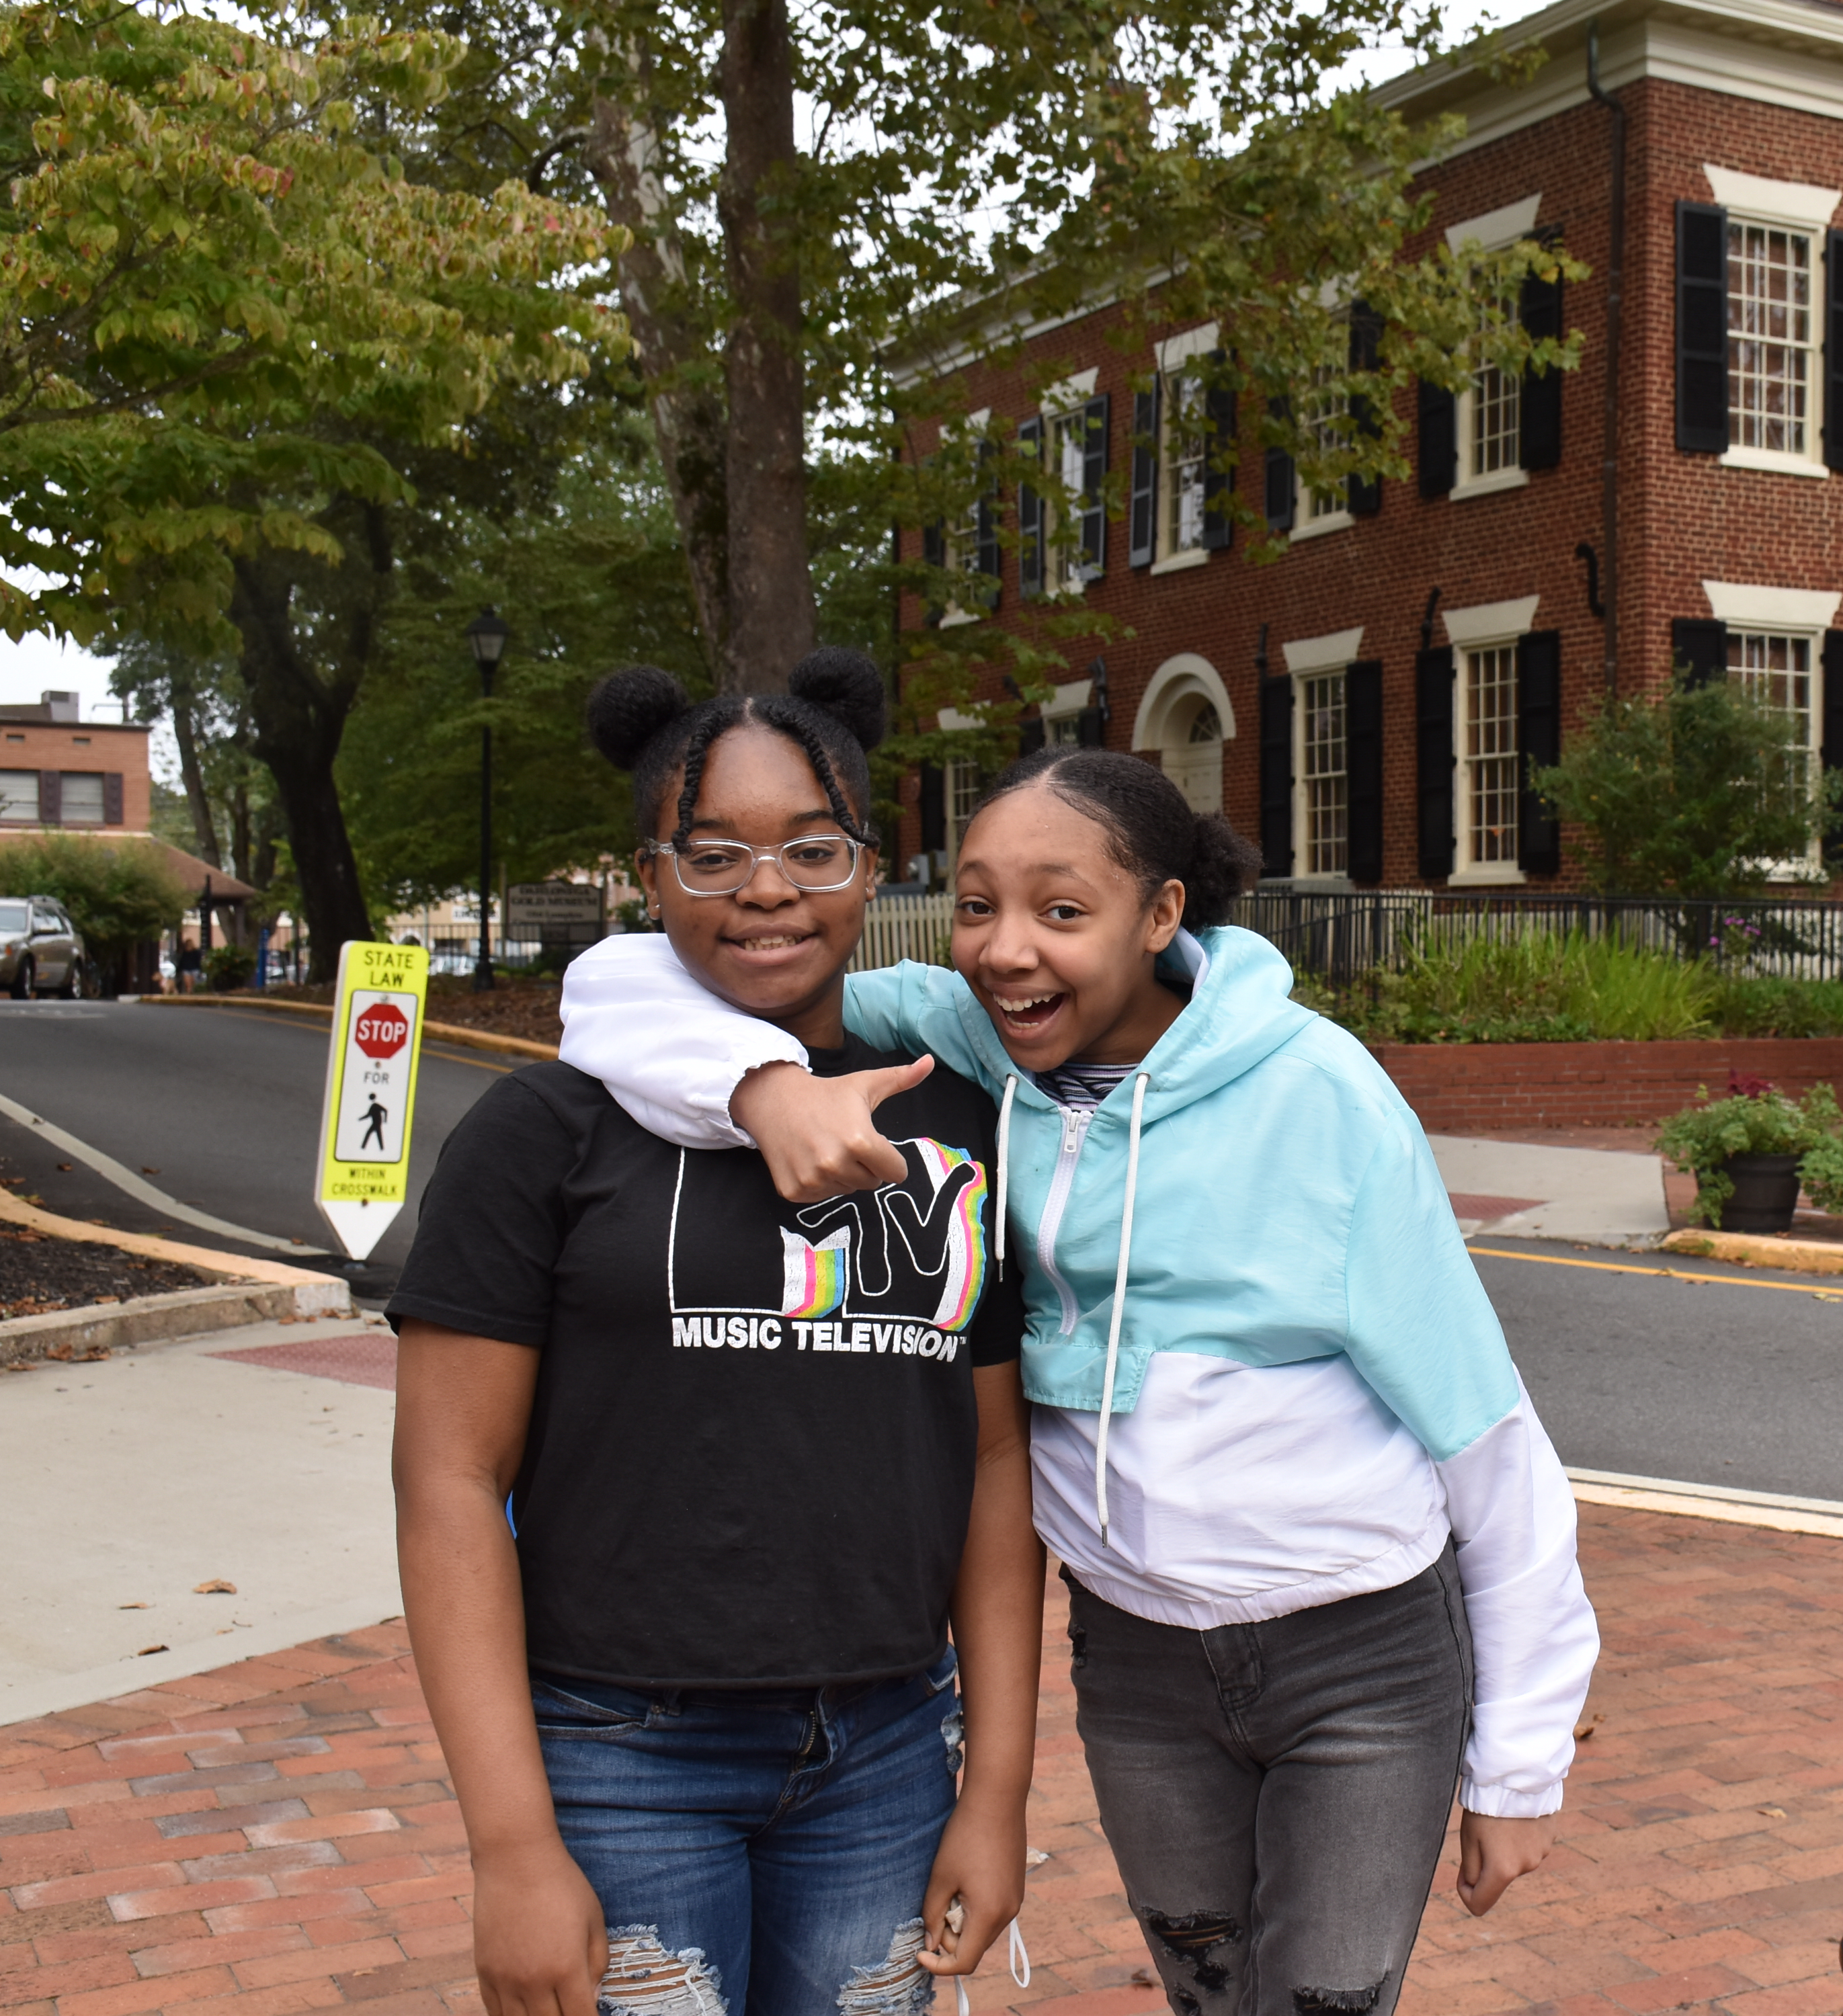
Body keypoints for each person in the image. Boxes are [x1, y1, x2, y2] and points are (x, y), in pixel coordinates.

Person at [558, 744, 1599, 2016]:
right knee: (1211, 1992)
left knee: (1324, 2001)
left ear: (1161, 913)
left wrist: (1521, 1763)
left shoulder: (1321, 1097)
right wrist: (763, 1085)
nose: (1006, 951)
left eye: (1062, 911)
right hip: (1138, 1659)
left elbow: (1488, 1440)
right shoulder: (975, 1043)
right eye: (979, 905)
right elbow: (621, 981)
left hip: (1361, 1653)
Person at [391, 652, 1039, 2016]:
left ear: (872, 867)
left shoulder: (950, 1128)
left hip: (884, 1750)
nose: (765, 890)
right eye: (714, 855)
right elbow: (447, 1480)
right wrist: (510, 1845)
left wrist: (996, 1792)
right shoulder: (544, 1134)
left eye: (812, 849)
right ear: (648, 878)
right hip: (622, 1754)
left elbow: (991, 1466)